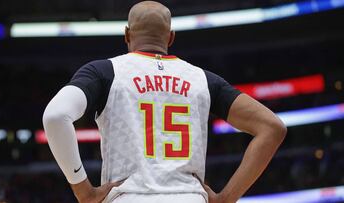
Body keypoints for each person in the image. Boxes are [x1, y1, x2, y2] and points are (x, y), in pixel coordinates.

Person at [42, 1, 287, 203]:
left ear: (127, 35)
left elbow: (55, 116)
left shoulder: (105, 71)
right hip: (189, 197)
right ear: (170, 38)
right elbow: (272, 128)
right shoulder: (202, 79)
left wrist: (83, 190)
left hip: (130, 197)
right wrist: (226, 198)